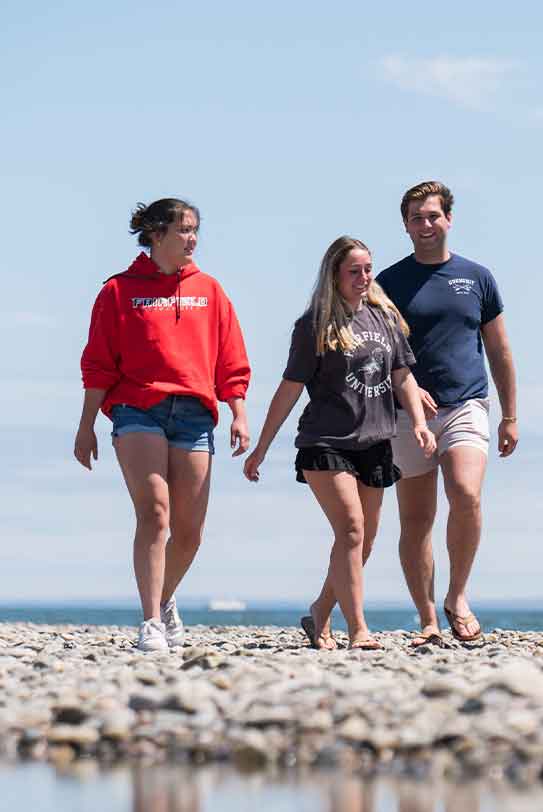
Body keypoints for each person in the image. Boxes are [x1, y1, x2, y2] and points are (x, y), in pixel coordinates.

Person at [75, 198, 251, 652]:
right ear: (157, 234)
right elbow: (98, 364)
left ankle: (166, 596)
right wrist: (86, 425)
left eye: (195, 230)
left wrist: (239, 411)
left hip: (194, 414)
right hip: (137, 409)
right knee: (155, 511)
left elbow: (231, 359)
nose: (192, 239)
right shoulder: (118, 291)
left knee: (189, 532)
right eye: (183, 230)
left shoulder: (209, 290)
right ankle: (151, 621)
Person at [243, 237, 435, 651]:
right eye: (354, 271)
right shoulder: (314, 325)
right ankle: (359, 629)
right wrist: (262, 447)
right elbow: (290, 389)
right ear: (334, 275)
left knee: (361, 542)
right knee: (350, 529)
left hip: (376, 441)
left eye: (368, 269)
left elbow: (403, 376)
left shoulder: (384, 318)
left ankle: (319, 614)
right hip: (326, 442)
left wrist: (418, 423)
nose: (364, 278)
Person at [376, 181, 518, 647]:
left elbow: (499, 350)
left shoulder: (476, 277)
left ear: (448, 219)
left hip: (467, 404)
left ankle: (458, 597)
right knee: (416, 521)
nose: (425, 225)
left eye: (433, 215)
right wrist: (410, 390)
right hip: (407, 414)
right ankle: (427, 618)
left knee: (465, 493)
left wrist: (510, 415)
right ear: (405, 225)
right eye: (416, 218)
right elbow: (380, 352)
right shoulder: (388, 284)